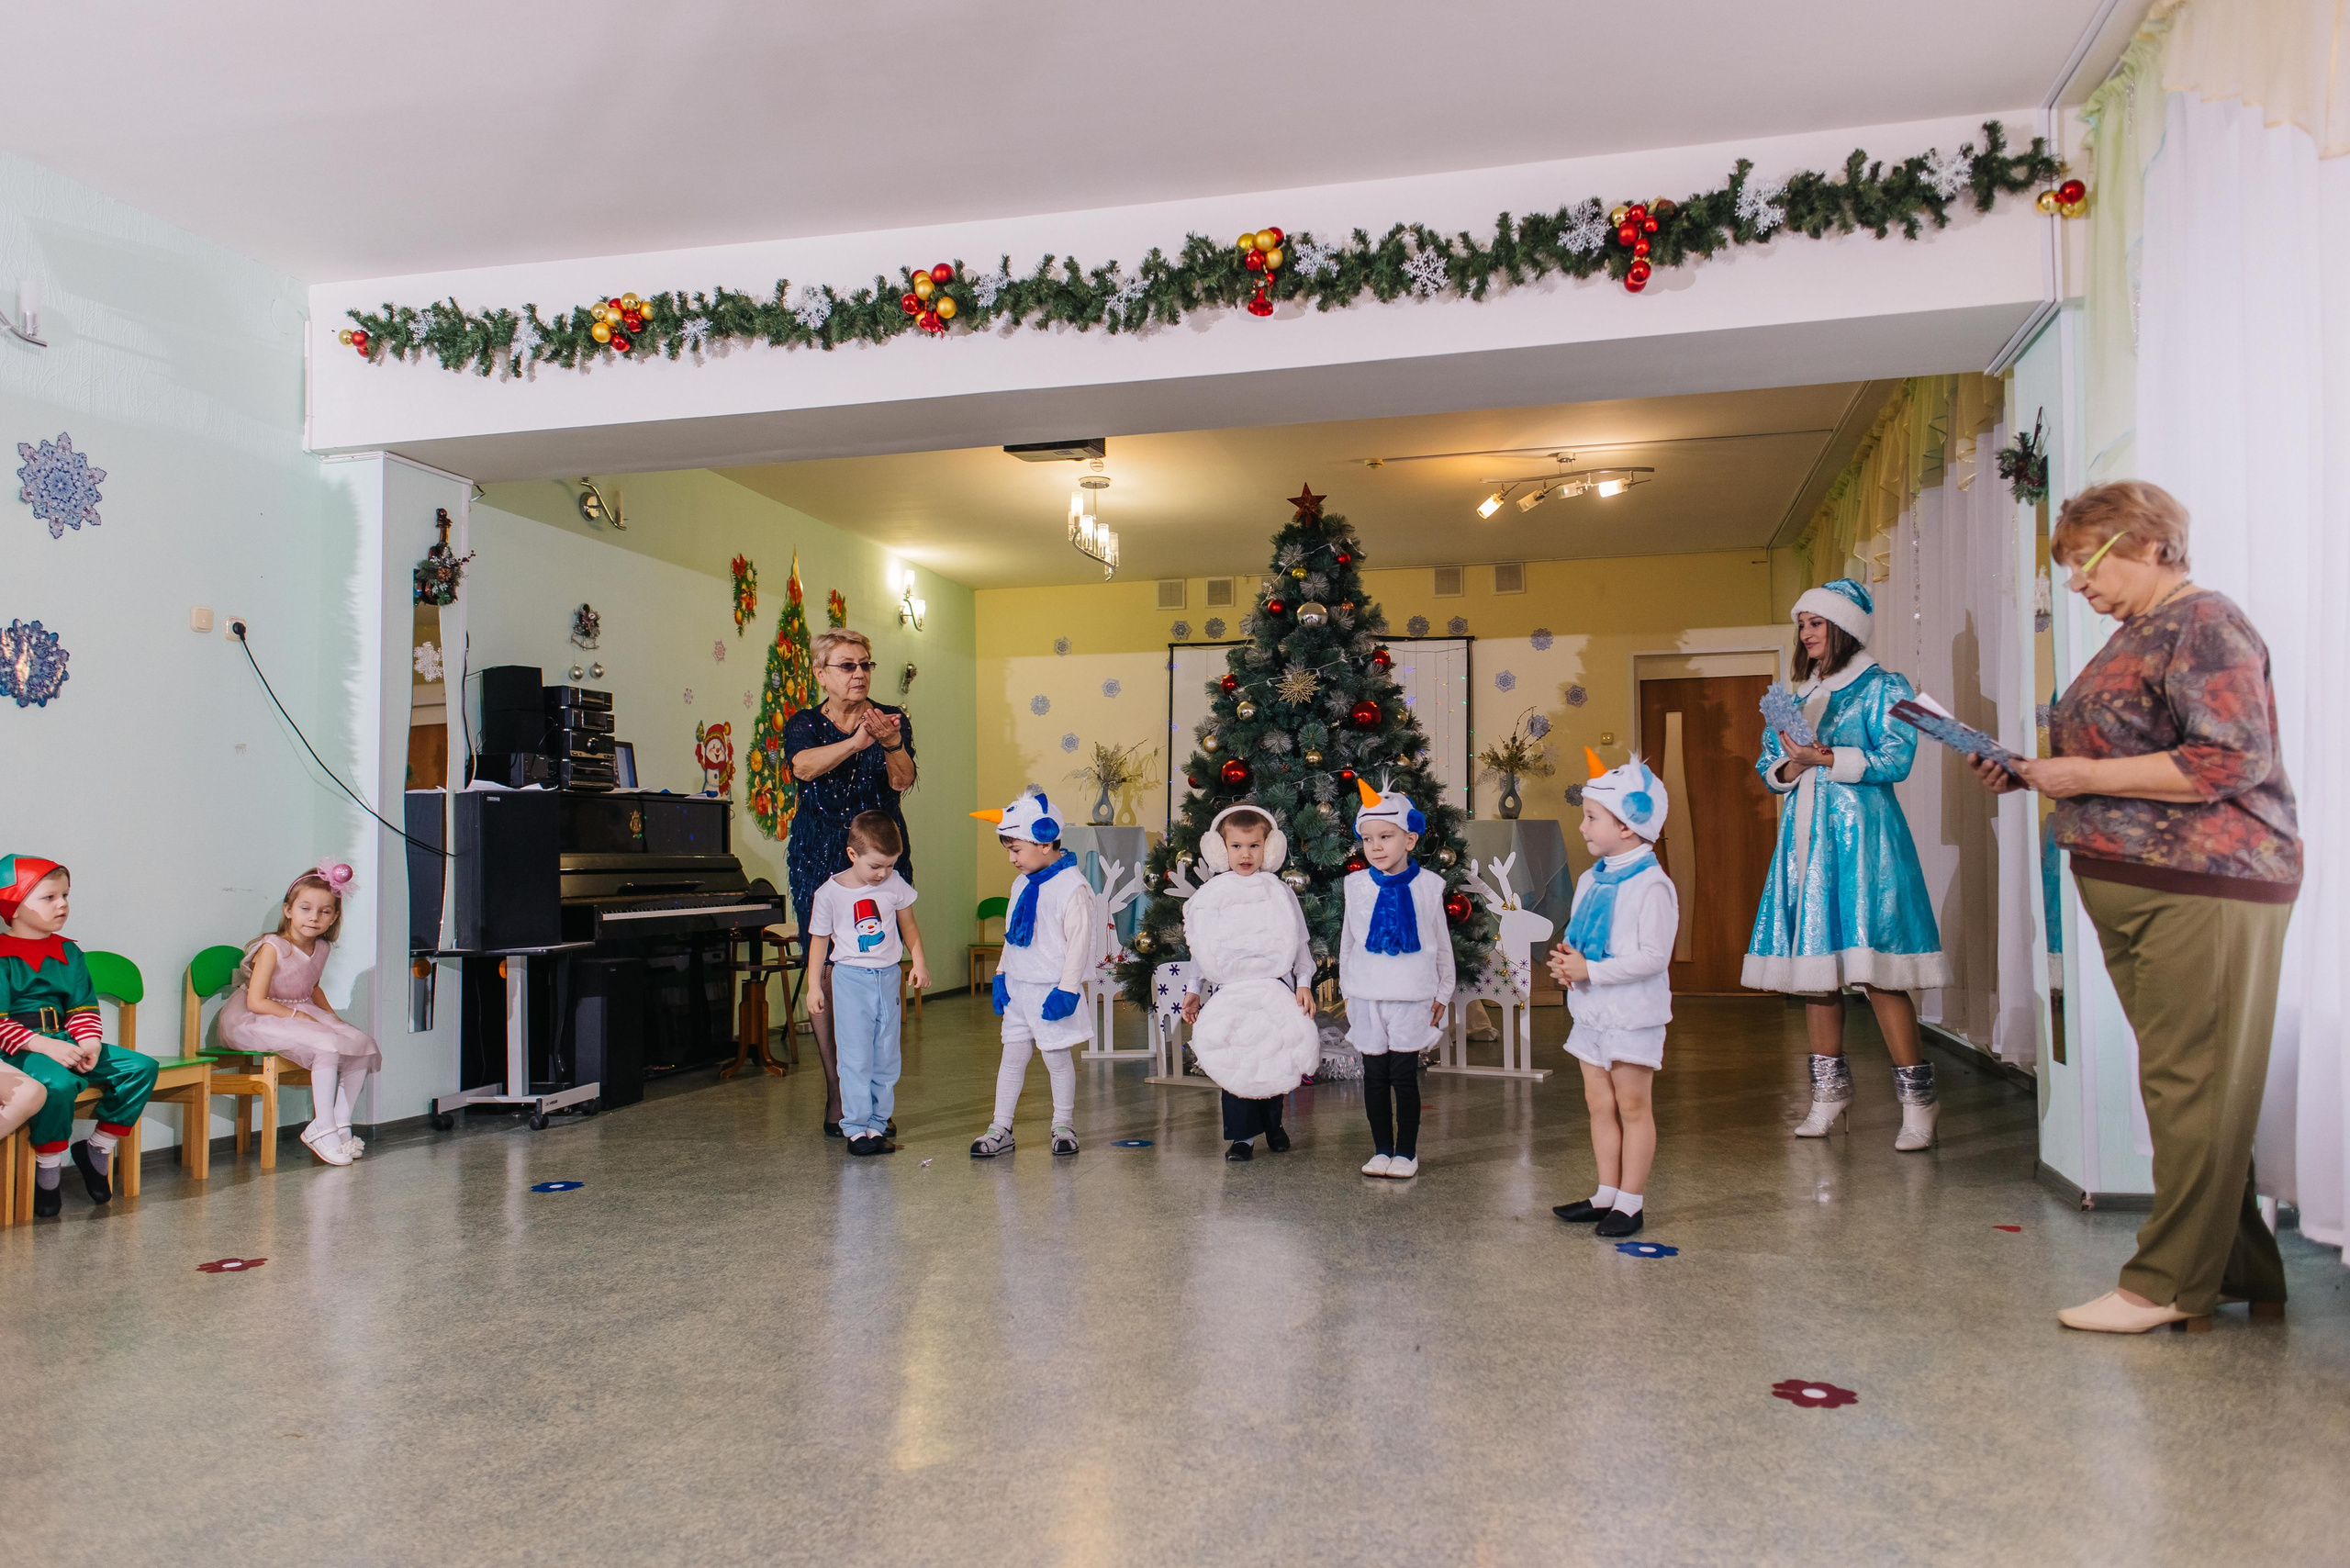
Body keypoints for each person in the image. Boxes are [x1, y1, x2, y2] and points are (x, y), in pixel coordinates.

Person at [1967, 481, 2299, 1335]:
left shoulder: (2206, 622)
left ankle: (2161, 1287)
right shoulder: (2138, 635)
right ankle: (2238, 1269)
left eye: (2085, 561)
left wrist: (2080, 776)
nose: (2077, 582)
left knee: (2192, 1086)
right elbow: (2121, 748)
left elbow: (2232, 760)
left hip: (2206, 882)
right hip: (2145, 883)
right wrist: (2033, 768)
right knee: (2192, 1086)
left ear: (2149, 545)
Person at [1744, 577, 1953, 1151]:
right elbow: (1771, 766)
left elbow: (1897, 758)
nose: (1806, 633)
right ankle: (1828, 1094)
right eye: (1802, 624)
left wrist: (1826, 757)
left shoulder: (1886, 686)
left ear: (1844, 628)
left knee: (1877, 972)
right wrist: (1789, 767)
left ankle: (1918, 1101)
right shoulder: (1796, 695)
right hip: (1805, 844)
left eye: (1816, 623)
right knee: (1818, 979)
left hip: (1864, 842)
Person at [785, 628, 917, 1139]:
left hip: (880, 856)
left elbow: (903, 780)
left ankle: (875, 1098)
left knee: (881, 960)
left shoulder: (890, 718)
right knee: (828, 968)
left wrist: (891, 743)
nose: (860, 673)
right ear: (821, 673)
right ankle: (840, 1090)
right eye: (847, 665)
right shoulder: (804, 723)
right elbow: (802, 767)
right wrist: (856, 742)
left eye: (865, 664)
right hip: (820, 856)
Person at [1549, 753, 1678, 1239]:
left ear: (1628, 826)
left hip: (1631, 1017)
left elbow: (1652, 957)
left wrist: (1592, 970)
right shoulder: (1590, 879)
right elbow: (1582, 940)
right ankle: (1606, 1193)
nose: (1581, 826)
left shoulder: (1652, 885)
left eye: (1591, 817)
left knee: (1632, 1105)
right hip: (1592, 1014)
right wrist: (1569, 963)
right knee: (1597, 1103)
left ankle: (1631, 1201)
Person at [0, 856, 157, 1217]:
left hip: (67, 1040)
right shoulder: (3, 955)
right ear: (15, 903)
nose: (63, 905)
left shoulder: (68, 951)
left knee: (140, 1067)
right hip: (24, 1046)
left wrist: (89, 1043)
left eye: (66, 896)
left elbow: (82, 1007)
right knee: (56, 1085)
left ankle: (97, 1148)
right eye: (49, 897)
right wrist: (43, 1045)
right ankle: (48, 1172)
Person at [218, 863, 383, 1167]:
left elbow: (312, 986)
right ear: (289, 910)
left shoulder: (322, 947)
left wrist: (332, 1019)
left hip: (299, 1008)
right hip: (257, 1016)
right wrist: (300, 1017)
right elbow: (256, 1000)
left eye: (324, 911)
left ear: (334, 916)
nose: (314, 917)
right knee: (326, 1045)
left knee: (362, 1043)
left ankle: (341, 1124)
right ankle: (322, 1126)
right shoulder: (273, 947)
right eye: (306, 908)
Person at [1179, 806, 1318, 1162]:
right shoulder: (1213, 894)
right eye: (1237, 846)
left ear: (1269, 849)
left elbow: (1297, 940)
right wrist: (1194, 989)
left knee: (1272, 1056)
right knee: (1236, 1059)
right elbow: (1203, 947)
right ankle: (1243, 1137)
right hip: (1231, 992)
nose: (1245, 854)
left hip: (1275, 988)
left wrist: (1303, 982)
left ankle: (1274, 1125)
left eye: (1254, 846)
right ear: (1219, 849)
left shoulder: (1279, 892)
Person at [968, 790, 1095, 1158]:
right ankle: (1000, 1127)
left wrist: (1067, 990)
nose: (1011, 859)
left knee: (1056, 1059)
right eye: (1008, 850)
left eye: (1016, 850)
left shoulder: (1072, 887)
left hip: (1051, 990)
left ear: (1044, 841)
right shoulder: (1022, 883)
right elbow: (1013, 935)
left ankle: (1063, 1125)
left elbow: (1079, 943)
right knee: (1012, 1057)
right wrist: (1002, 974)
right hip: (1020, 988)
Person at [1338, 780, 1454, 1180]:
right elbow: (1348, 943)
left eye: (1385, 837)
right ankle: (1381, 1149)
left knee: (1403, 1077)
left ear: (1410, 838)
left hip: (1412, 996)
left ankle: (1406, 1152)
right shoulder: (1355, 886)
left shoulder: (1429, 886)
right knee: (1374, 1077)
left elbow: (1441, 945)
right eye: (1368, 839)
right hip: (1367, 997)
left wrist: (1444, 991)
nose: (1376, 847)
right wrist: (1347, 990)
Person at [805, 812, 925, 1158]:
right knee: (855, 1055)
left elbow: (909, 927)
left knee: (887, 1055)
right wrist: (815, 986)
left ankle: (877, 1122)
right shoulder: (830, 893)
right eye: (876, 866)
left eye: (890, 865)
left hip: (888, 978)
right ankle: (855, 1128)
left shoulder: (894, 884)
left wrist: (918, 961)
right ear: (852, 854)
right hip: (851, 980)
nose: (883, 873)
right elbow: (818, 941)